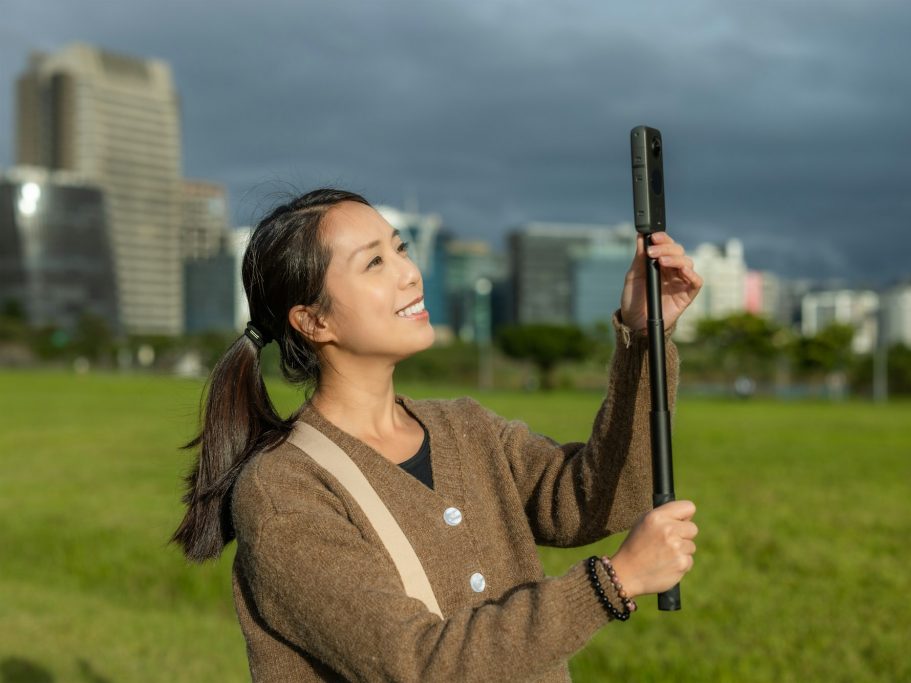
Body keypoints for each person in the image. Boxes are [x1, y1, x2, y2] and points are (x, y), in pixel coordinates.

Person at [172, 188, 704, 682]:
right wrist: (612, 583)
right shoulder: (283, 492)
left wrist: (643, 336)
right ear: (313, 322)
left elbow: (595, 499)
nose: (409, 273)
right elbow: (420, 664)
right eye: (375, 262)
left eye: (401, 249)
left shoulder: (465, 427)